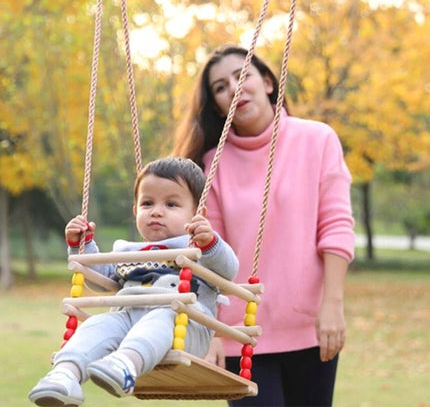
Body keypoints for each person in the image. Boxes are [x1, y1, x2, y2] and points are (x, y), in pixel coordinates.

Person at [173, 45, 355, 406]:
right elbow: (208, 259)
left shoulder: (317, 139)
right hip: (241, 333)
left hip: (312, 328)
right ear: (217, 104)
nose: (234, 89)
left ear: (268, 82)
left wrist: (333, 305)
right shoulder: (213, 164)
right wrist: (212, 332)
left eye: (242, 76)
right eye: (221, 87)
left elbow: (336, 226)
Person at [28, 156, 239, 407]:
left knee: (163, 316)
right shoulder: (130, 250)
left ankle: (125, 364)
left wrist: (211, 242)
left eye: (171, 204)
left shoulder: (198, 245)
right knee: (99, 325)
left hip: (185, 325)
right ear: (135, 210)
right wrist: (81, 244)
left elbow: (229, 270)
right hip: (129, 318)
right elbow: (101, 277)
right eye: (147, 203)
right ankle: (65, 375)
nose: (157, 211)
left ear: (196, 213)